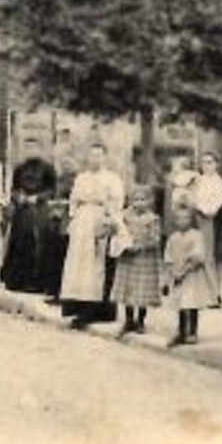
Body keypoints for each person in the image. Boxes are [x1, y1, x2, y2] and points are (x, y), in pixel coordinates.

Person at [59, 141, 125, 329]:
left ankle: (97, 310)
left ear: (105, 157)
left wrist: (108, 221)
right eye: (92, 155)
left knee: (96, 267)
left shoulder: (112, 179)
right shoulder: (81, 178)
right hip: (82, 223)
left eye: (99, 155)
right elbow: (73, 201)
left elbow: (117, 203)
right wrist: (74, 218)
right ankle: (78, 307)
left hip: (100, 220)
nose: (95, 159)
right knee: (79, 265)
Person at [0, 137, 60, 294]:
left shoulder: (48, 168)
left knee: (37, 243)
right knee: (19, 242)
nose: (31, 151)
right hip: (22, 209)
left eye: (34, 148)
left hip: (39, 210)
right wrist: (18, 197)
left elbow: (52, 190)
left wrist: (38, 198)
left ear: (40, 149)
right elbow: (13, 189)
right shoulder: (19, 168)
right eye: (27, 147)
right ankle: (17, 280)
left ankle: (36, 282)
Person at [110, 184, 163, 335]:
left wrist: (140, 246)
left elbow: (155, 239)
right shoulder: (125, 216)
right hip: (128, 258)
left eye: (143, 199)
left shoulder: (153, 219)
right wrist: (117, 235)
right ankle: (128, 320)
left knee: (142, 292)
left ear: (150, 201)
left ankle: (140, 320)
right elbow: (117, 231)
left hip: (144, 259)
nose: (139, 203)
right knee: (128, 290)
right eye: (136, 199)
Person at [164, 203, 217, 347]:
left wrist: (185, 270)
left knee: (192, 303)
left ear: (191, 220)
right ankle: (181, 331)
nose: (182, 222)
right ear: (175, 220)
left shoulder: (196, 235)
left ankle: (193, 331)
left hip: (192, 276)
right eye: (179, 219)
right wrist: (172, 273)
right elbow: (168, 257)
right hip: (177, 276)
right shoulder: (173, 237)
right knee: (180, 304)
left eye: (186, 218)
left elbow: (198, 256)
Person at [189, 151, 222, 307]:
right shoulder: (196, 181)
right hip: (192, 218)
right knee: (190, 253)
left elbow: (211, 210)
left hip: (207, 220)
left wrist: (196, 204)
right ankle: (195, 294)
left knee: (207, 257)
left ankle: (215, 295)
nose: (206, 166)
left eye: (210, 162)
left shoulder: (220, 185)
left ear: (217, 165)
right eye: (203, 162)